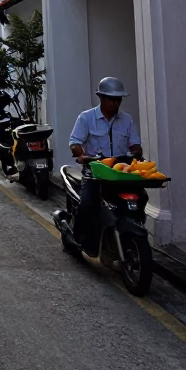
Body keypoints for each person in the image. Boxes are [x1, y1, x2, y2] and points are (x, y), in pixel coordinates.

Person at [68, 77, 143, 250]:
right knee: (87, 204)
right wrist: (82, 155)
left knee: (140, 198)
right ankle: (79, 241)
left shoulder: (127, 120)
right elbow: (74, 143)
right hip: (94, 172)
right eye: (110, 98)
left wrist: (136, 154)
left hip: (121, 173)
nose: (114, 103)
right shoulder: (86, 118)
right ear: (101, 97)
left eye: (118, 99)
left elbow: (134, 143)